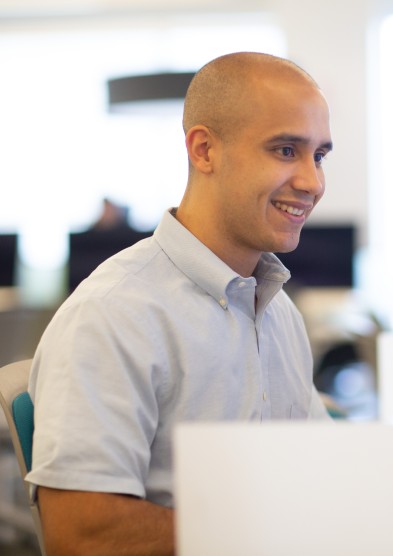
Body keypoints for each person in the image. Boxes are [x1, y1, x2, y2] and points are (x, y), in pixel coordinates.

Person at [25, 51, 334, 555]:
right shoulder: (114, 314)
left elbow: (317, 468)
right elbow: (81, 534)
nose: (312, 182)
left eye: (318, 155)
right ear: (205, 150)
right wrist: (264, 531)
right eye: (284, 150)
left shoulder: (277, 310)